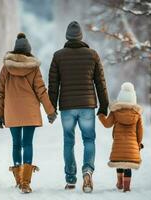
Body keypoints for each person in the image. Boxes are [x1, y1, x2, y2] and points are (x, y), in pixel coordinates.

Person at [48, 21, 109, 193]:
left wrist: (51, 108)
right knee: (88, 140)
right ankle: (87, 171)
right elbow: (100, 83)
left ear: (67, 37)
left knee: (69, 141)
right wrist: (104, 105)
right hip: (87, 106)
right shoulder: (92, 55)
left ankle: (70, 179)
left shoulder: (58, 56)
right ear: (81, 36)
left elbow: (53, 85)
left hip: (67, 107)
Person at [0, 33, 57, 194]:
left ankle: (18, 179)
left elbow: (1, 93)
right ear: (28, 51)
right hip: (29, 112)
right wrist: (50, 111)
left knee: (16, 144)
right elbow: (41, 91)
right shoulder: (33, 68)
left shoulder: (6, 68)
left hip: (12, 111)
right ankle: (25, 182)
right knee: (27, 144)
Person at [98, 82, 144, 192]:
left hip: (118, 144)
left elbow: (107, 124)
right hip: (132, 146)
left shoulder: (115, 112)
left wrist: (101, 116)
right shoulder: (137, 114)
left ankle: (120, 183)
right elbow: (140, 131)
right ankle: (127, 187)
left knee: (120, 161)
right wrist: (138, 143)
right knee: (128, 164)